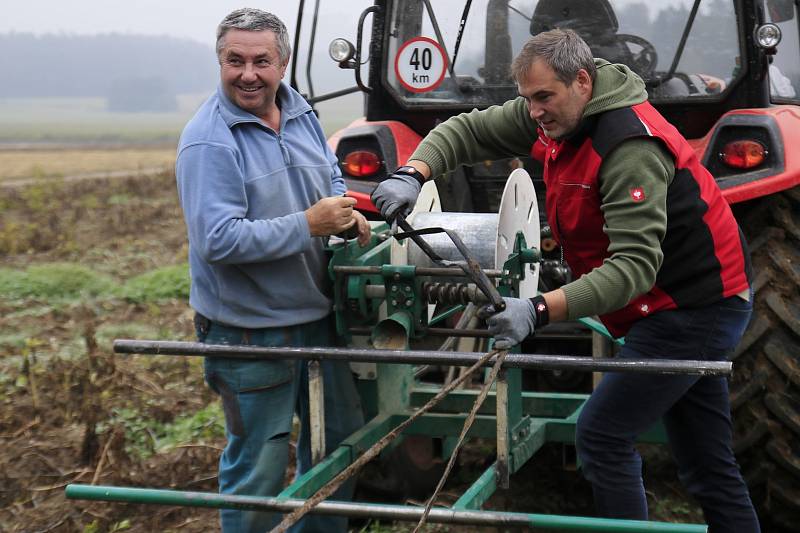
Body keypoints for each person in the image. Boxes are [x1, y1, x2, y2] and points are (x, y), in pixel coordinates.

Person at [371, 29, 760, 532]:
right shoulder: (554, 112)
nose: (534, 111)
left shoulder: (627, 147)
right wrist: (414, 172)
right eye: (528, 99)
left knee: (602, 436)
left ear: (582, 81)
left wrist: (536, 311)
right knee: (707, 464)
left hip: (694, 307)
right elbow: (466, 130)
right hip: (666, 305)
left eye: (544, 97)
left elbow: (633, 269)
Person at [176, 8, 368, 533]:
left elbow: (329, 175)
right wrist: (309, 223)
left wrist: (344, 218)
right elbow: (216, 240)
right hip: (249, 330)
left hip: (317, 316)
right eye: (234, 60)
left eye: (261, 60)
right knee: (258, 470)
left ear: (282, 63)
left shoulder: (300, 112)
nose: (248, 73)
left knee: (339, 447)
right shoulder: (209, 140)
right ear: (220, 61)